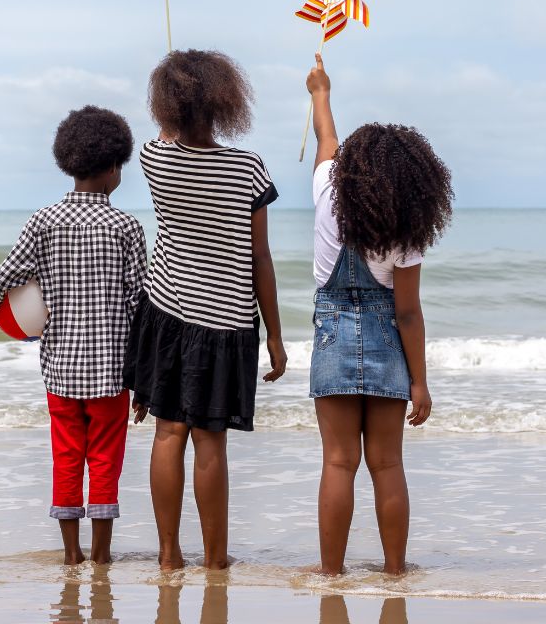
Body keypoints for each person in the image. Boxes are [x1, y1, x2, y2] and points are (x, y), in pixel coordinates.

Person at [123, 49, 288, 571]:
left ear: (166, 104)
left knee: (168, 433)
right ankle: (216, 559)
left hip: (167, 311)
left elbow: (165, 139)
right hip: (226, 322)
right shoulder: (248, 167)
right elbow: (260, 256)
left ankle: (169, 555)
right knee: (210, 443)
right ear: (224, 101)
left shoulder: (155, 158)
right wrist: (276, 337)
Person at [0, 106, 147, 565]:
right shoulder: (127, 227)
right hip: (112, 373)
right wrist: (145, 378)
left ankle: (71, 556)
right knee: (106, 461)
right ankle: (102, 556)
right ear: (113, 167)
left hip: (61, 372)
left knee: (67, 458)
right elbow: (139, 304)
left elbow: (4, 275)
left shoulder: (44, 221)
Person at [306, 54, 453, 575]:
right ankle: (395, 571)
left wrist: (320, 92)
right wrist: (421, 383)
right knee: (388, 464)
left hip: (332, 341)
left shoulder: (326, 187)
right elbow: (408, 314)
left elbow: (326, 139)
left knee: (338, 463)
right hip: (388, 344)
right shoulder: (405, 229)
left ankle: (331, 573)